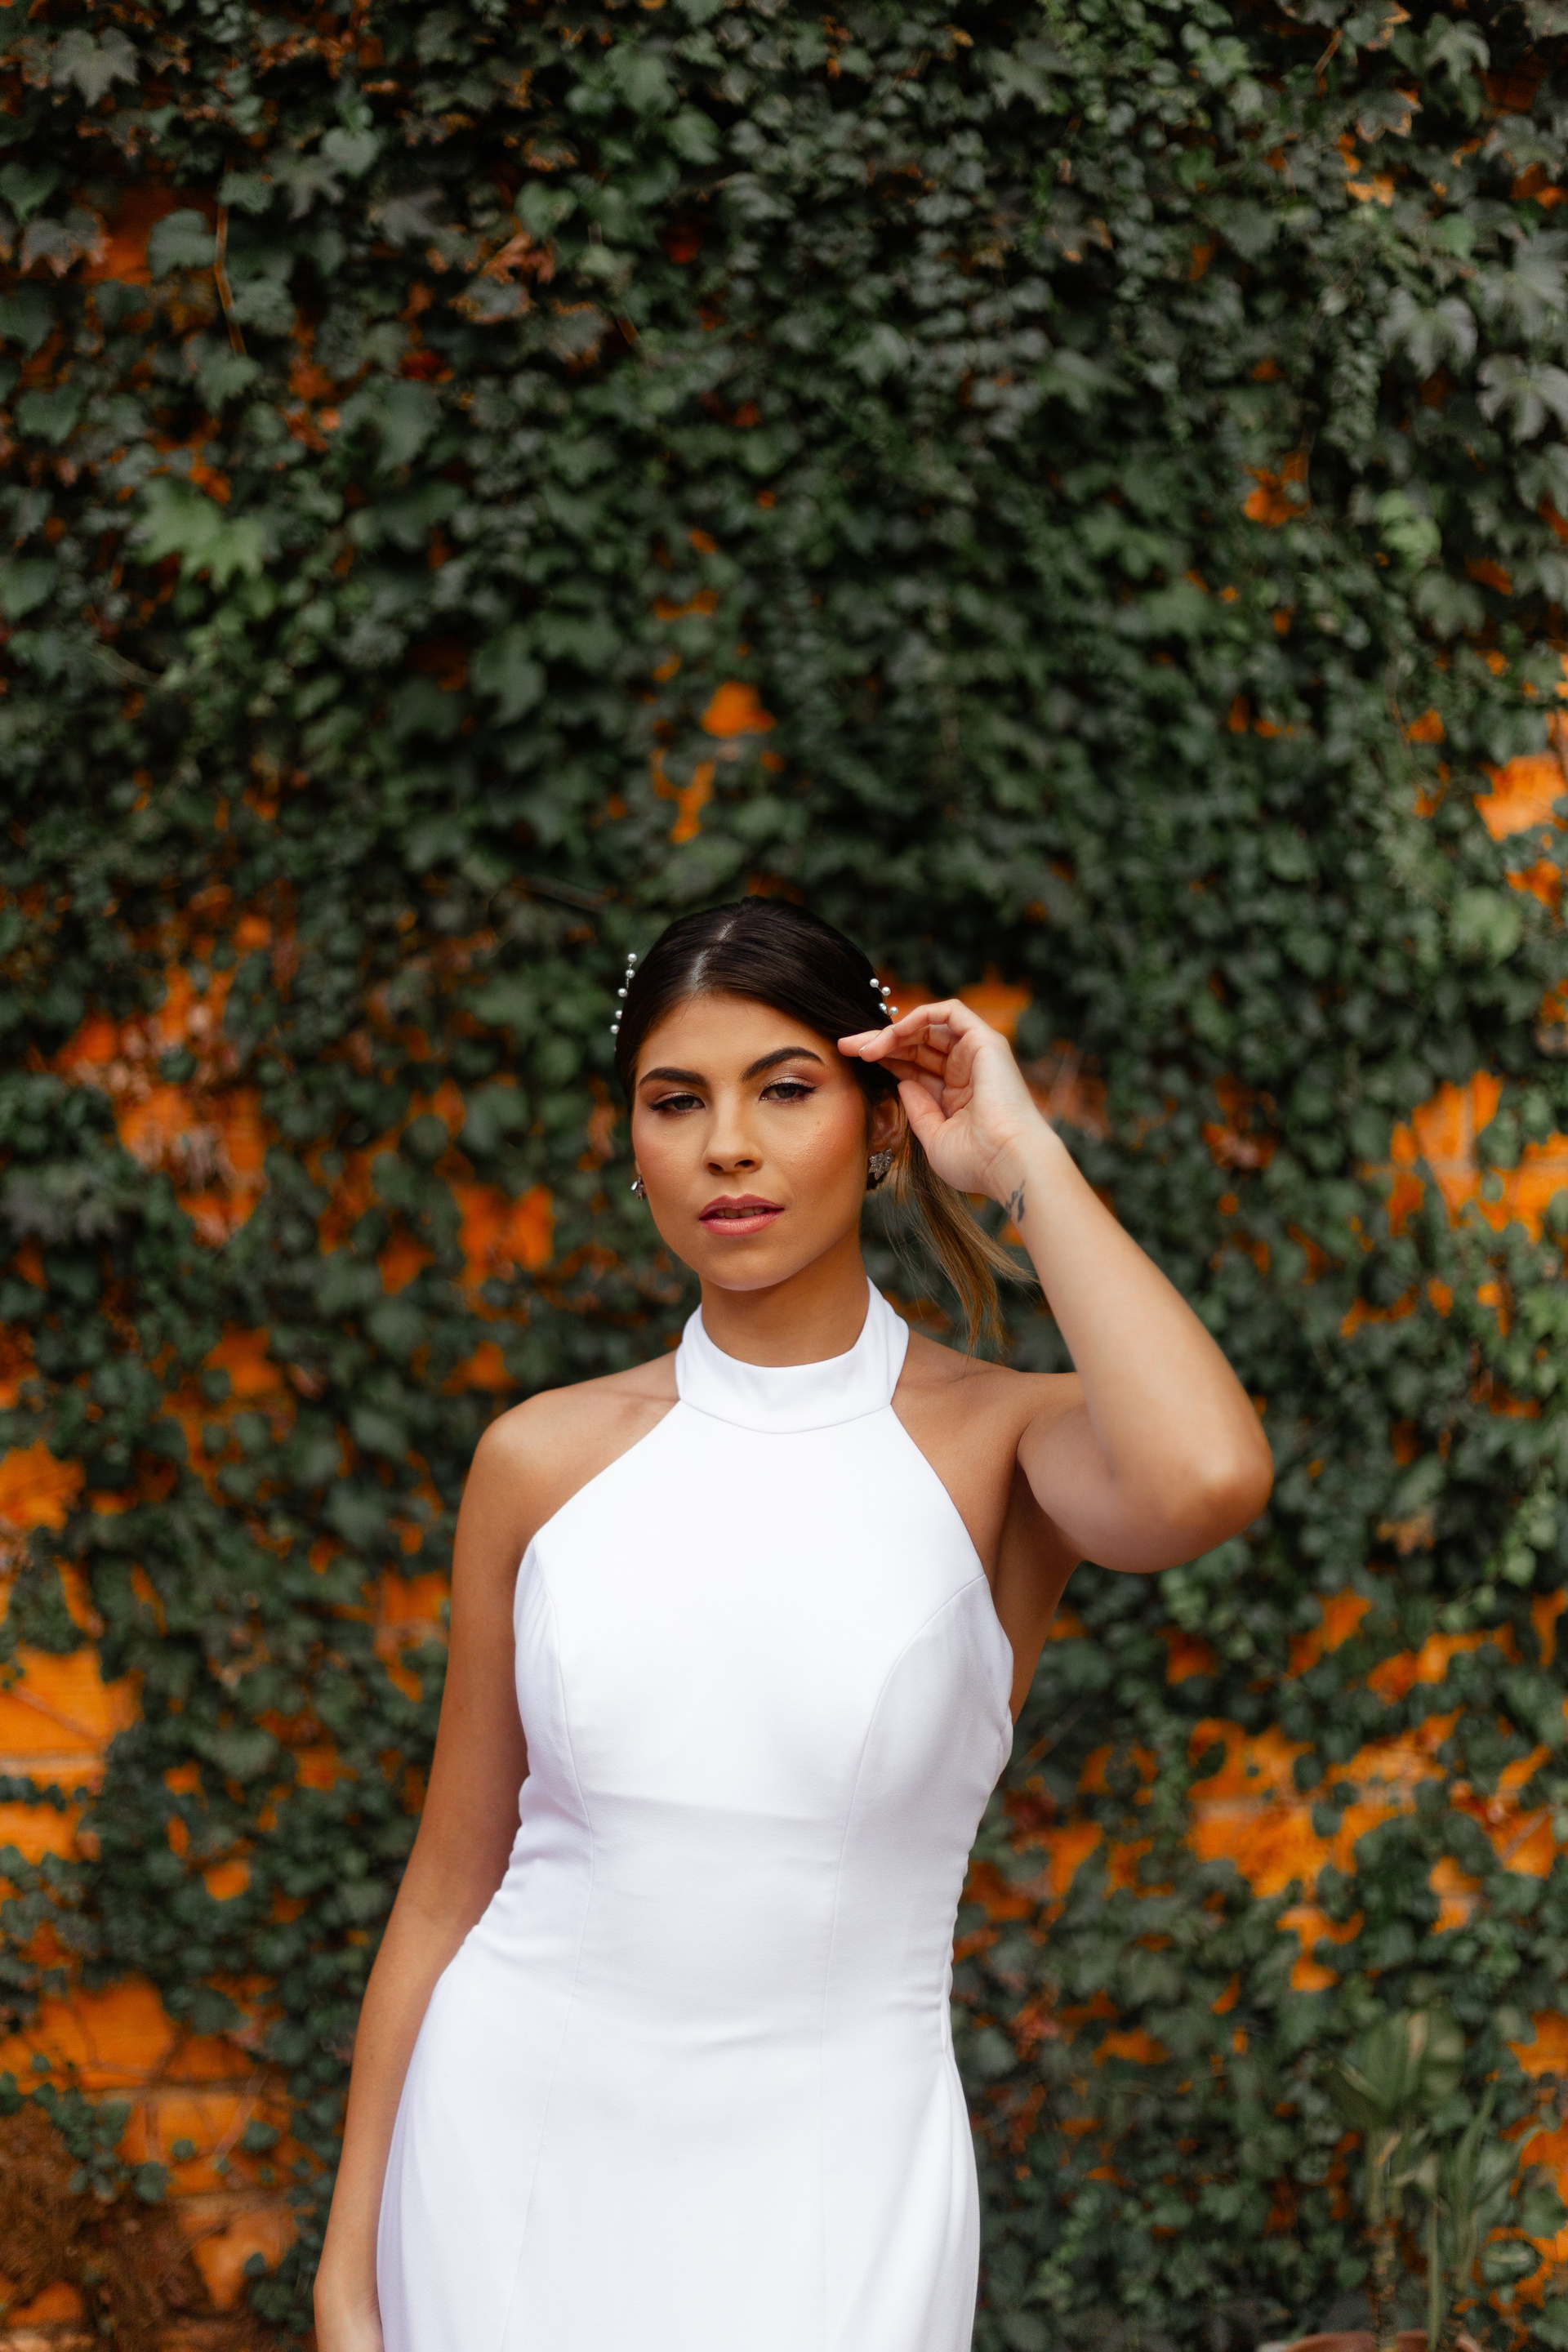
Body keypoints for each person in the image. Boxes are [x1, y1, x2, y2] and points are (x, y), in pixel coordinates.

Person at [314, 898, 1272, 2352]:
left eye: (785, 1089)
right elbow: (449, 1888)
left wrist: (1021, 1154)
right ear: (633, 1143)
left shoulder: (999, 1447)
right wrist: (348, 2272)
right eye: (675, 1101)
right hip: (510, 2161)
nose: (728, 1146)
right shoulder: (539, 1461)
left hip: (839, 2196)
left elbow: (1205, 1476)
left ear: (881, 1124)